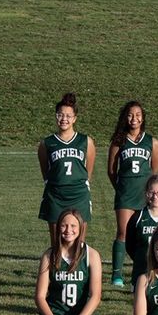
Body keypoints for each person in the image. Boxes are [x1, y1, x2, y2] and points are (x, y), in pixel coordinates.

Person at [106, 101, 158, 287]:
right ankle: (117, 275)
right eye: (130, 115)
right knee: (123, 232)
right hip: (125, 194)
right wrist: (121, 188)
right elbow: (111, 171)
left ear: (142, 118)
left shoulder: (152, 142)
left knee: (146, 233)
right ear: (125, 118)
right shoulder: (118, 142)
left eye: (137, 115)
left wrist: (150, 192)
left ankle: (146, 271)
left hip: (146, 195)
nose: (134, 118)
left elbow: (154, 171)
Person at [35, 208, 102, 315]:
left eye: (73, 226)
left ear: (81, 228)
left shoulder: (92, 255)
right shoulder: (49, 255)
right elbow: (40, 297)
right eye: (64, 225)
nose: (68, 230)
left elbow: (95, 296)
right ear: (58, 227)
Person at [38, 93, 94, 250]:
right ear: (56, 116)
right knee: (57, 245)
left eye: (68, 116)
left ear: (75, 118)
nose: (64, 119)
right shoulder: (47, 143)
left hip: (79, 195)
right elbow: (46, 171)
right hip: (56, 196)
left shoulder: (85, 141)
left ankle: (77, 267)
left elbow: (88, 171)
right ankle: (56, 267)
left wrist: (79, 183)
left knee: (78, 245)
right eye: (60, 115)